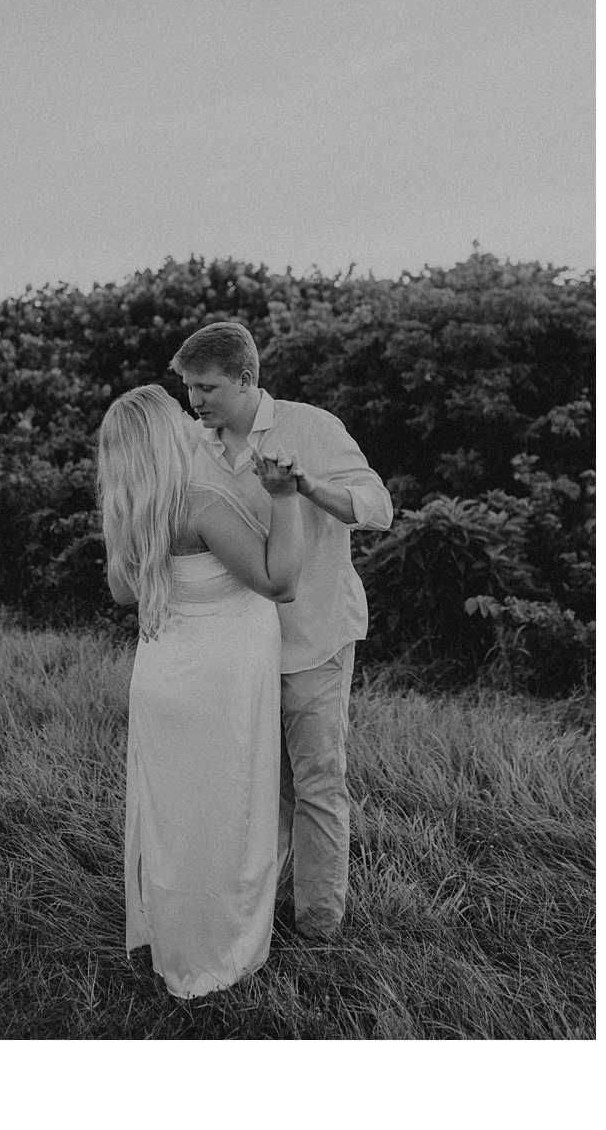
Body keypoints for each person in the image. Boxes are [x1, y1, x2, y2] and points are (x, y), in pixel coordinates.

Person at [170, 322, 394, 942]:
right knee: (262, 788)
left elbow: (379, 509)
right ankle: (256, 918)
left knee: (318, 782)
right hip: (237, 648)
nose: (196, 401)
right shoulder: (192, 443)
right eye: (189, 388)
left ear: (247, 379)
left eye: (207, 387)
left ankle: (320, 931)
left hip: (314, 635)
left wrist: (305, 486)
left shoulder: (311, 426)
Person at [97, 384, 304, 999]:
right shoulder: (203, 502)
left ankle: (177, 945)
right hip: (223, 684)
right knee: (228, 817)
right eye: (179, 412)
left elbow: (123, 595)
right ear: (167, 433)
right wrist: (284, 498)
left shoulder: (135, 508)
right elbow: (281, 581)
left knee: (176, 822)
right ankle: (219, 954)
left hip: (161, 678)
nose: (193, 417)